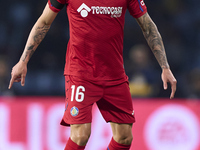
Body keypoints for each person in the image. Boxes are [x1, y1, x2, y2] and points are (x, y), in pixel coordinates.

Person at [8, 0, 177, 149]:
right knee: (80, 135)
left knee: (124, 138)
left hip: (114, 75)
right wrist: (23, 61)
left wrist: (165, 66)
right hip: (80, 74)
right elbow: (44, 22)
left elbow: (148, 27)